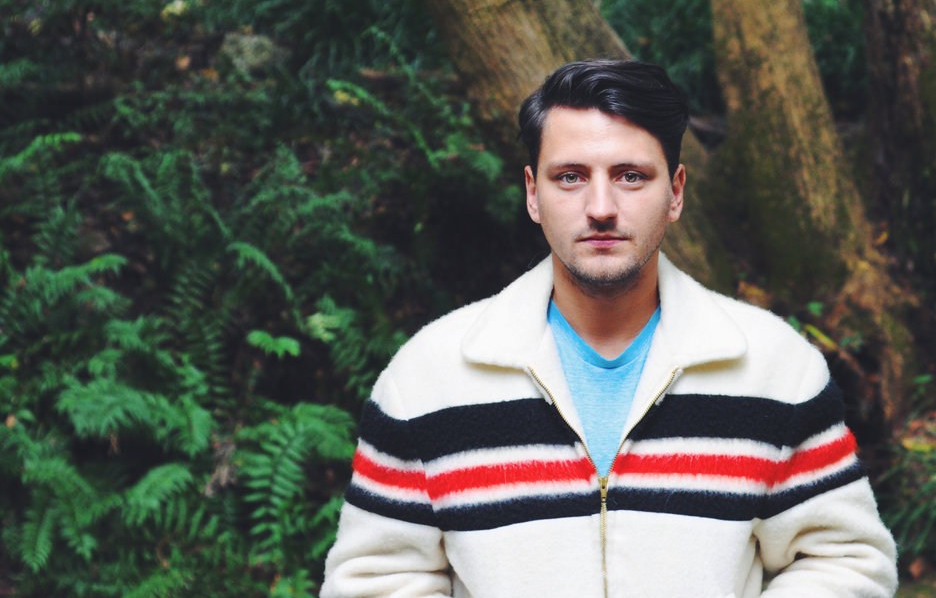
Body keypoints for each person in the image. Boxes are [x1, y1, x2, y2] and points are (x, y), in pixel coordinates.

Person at [320, 60, 898, 597]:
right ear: (533, 194)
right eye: (571, 177)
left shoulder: (775, 369)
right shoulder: (428, 379)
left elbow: (845, 561)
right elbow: (374, 581)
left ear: (675, 193)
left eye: (630, 176)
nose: (601, 207)